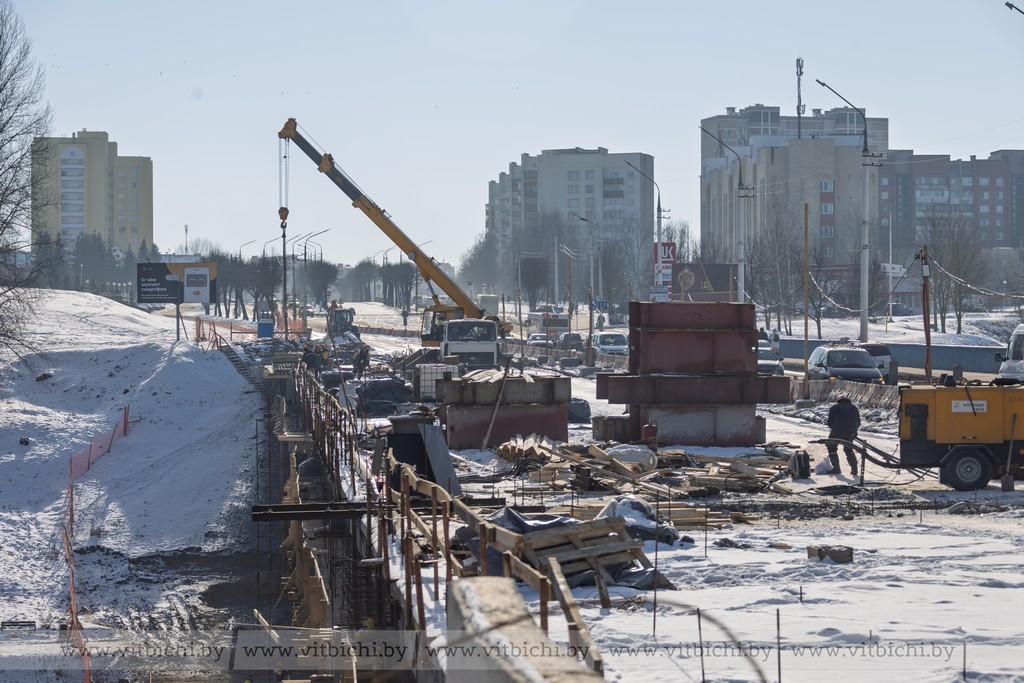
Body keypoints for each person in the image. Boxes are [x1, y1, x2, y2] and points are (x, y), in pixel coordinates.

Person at [826, 396, 861, 475]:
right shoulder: (854, 408)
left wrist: (835, 428)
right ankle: (854, 469)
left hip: (837, 431)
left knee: (832, 448)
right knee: (849, 449)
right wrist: (853, 431)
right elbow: (858, 422)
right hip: (851, 432)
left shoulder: (834, 408)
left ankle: (836, 468)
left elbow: (829, 422)